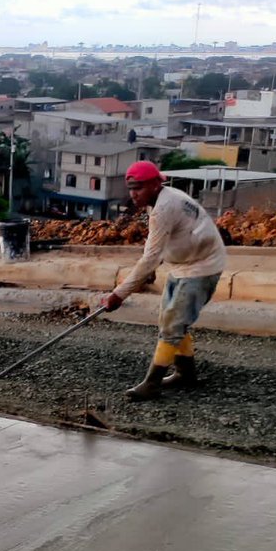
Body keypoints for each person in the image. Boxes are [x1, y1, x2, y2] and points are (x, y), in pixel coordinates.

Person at [100, 161, 227, 401]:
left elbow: (150, 256)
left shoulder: (164, 207)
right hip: (184, 265)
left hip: (202, 267)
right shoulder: (159, 201)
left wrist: (119, 294)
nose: (133, 194)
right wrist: (152, 267)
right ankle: (185, 373)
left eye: (138, 188)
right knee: (170, 319)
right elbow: (160, 247)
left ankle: (152, 383)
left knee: (172, 324)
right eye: (131, 189)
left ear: (155, 184)